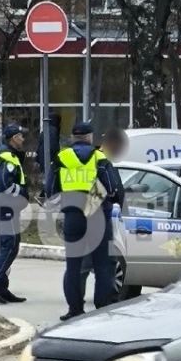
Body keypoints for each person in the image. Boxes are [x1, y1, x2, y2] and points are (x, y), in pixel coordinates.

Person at [45, 121, 119, 321]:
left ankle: (75, 309)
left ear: (73, 137)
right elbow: (111, 187)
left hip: (73, 216)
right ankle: (102, 307)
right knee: (102, 265)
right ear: (89, 137)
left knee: (73, 266)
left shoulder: (61, 158)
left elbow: (50, 190)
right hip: (97, 216)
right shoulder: (99, 157)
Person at [0, 123, 30, 304]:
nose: (23, 139)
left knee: (6, 247)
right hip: (7, 206)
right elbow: (5, 185)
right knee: (10, 246)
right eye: (20, 136)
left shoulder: (2, 155)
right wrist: (23, 192)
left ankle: (1, 287)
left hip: (3, 206)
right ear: (13, 138)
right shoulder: (8, 158)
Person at [80, 127, 128, 298]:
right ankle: (103, 302)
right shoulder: (102, 161)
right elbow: (115, 190)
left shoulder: (89, 159)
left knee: (85, 264)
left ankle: (77, 304)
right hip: (96, 215)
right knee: (103, 263)